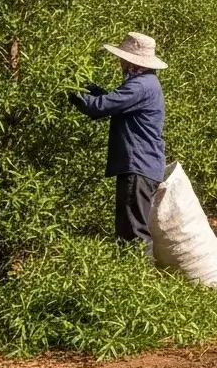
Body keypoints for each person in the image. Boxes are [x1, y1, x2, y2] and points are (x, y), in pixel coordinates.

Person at [67, 32, 168, 247]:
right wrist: (85, 84)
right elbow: (111, 100)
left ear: (132, 60)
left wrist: (71, 87)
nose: (119, 61)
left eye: (122, 57)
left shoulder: (140, 86)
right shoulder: (145, 83)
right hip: (143, 166)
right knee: (129, 229)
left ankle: (140, 278)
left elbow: (99, 107)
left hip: (138, 166)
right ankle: (137, 276)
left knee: (133, 234)